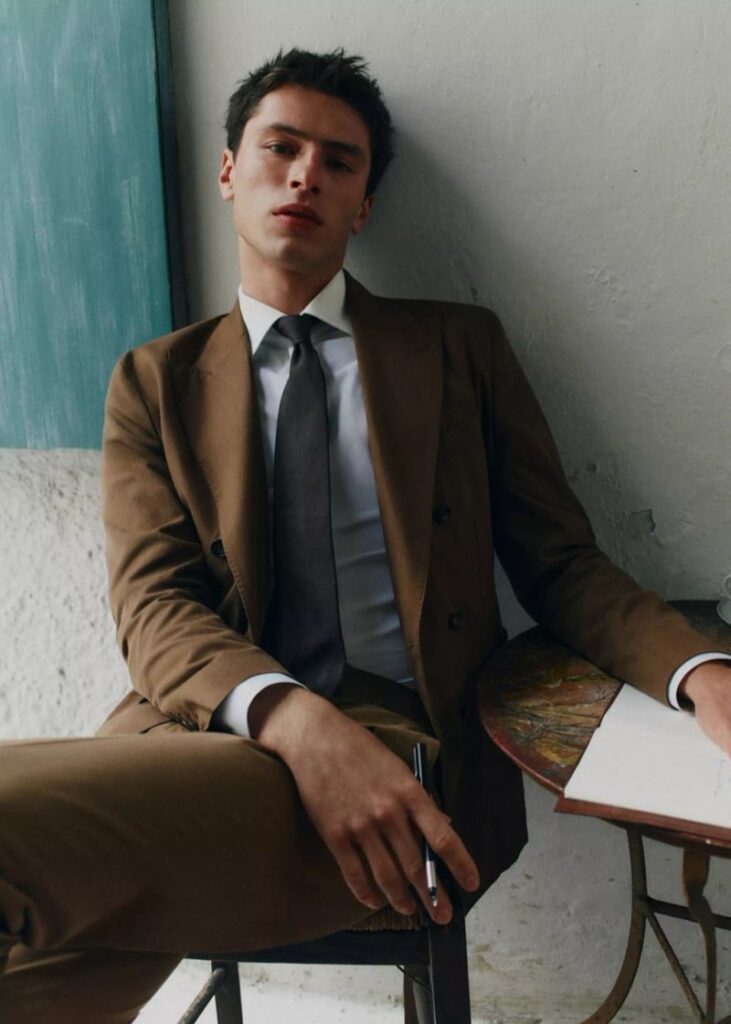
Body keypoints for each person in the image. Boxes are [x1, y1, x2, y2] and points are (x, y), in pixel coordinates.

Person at [1, 46, 729, 1024]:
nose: (305, 173)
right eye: (280, 147)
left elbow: (562, 566)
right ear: (228, 171)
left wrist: (700, 672)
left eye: (338, 161)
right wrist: (297, 721)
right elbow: (153, 606)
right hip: (196, 730)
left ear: (364, 205)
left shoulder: (456, 348)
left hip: (403, 757)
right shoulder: (154, 379)